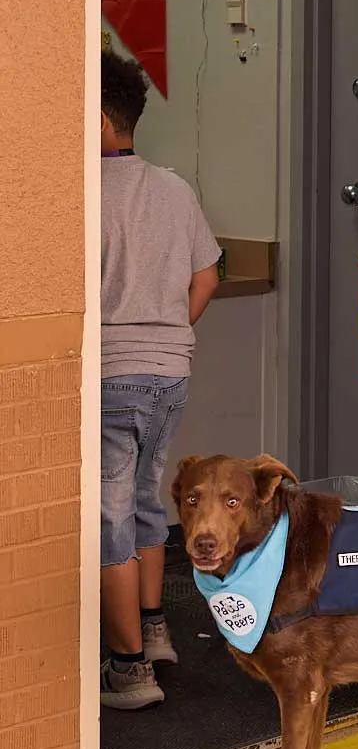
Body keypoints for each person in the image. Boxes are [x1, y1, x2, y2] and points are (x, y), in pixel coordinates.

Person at [100, 49, 221, 709]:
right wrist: (171, 332)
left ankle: (128, 670)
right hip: (170, 372)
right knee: (147, 501)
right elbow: (207, 276)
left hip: (110, 376)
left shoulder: (80, 193)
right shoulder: (174, 189)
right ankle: (154, 631)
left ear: (99, 120)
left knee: (109, 518)